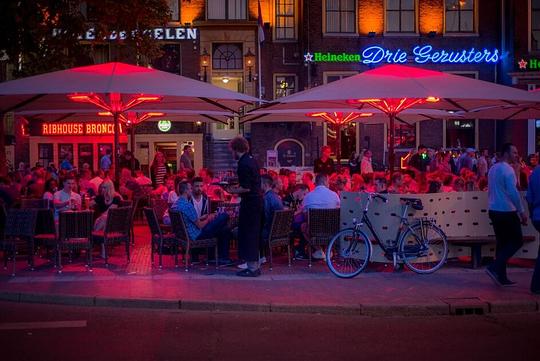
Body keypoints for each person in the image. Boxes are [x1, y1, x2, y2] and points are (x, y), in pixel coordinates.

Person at [486, 143, 528, 287]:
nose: (516, 155)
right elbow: (513, 192)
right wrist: (521, 211)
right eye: (514, 152)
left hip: (494, 209)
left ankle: (501, 275)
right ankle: (495, 266)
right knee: (517, 240)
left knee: (502, 243)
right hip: (506, 210)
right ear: (506, 153)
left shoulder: (492, 169)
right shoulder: (508, 170)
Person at [225, 136, 263, 277]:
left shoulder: (243, 164)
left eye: (231, 151)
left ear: (236, 149)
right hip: (257, 202)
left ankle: (252, 268)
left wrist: (231, 190)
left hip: (250, 204)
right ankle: (255, 265)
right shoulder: (252, 160)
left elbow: (246, 188)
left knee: (247, 234)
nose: (231, 154)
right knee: (253, 234)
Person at [172, 181, 232, 264]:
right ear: (186, 191)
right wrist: (208, 219)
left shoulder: (176, 204)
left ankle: (219, 257)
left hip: (185, 235)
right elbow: (200, 226)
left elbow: (187, 220)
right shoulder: (187, 205)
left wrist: (201, 218)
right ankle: (220, 257)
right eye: (190, 188)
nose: (191, 190)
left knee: (224, 229)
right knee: (224, 216)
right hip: (196, 236)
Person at [301, 173, 340, 260]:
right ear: (325, 181)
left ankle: (318, 250)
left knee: (303, 226)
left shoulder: (308, 196)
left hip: (314, 230)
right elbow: (339, 212)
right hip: (331, 229)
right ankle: (328, 250)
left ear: (316, 182)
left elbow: (304, 215)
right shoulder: (335, 195)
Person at [526, 163, 540, 294]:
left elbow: (528, 197)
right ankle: (536, 285)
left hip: (537, 216)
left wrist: (531, 214)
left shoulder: (535, 172)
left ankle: (536, 285)